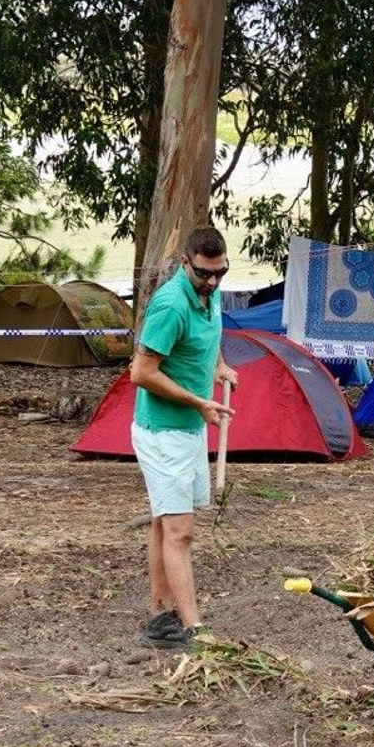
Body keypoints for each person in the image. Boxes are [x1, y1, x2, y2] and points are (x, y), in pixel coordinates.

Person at [129, 226, 238, 648]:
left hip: (189, 427)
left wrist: (218, 368)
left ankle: (159, 615)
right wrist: (197, 401)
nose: (211, 282)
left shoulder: (210, 295)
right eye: (203, 275)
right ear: (184, 263)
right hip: (163, 432)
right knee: (181, 531)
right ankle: (195, 628)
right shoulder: (171, 305)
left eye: (219, 273)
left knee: (163, 520)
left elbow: (207, 338)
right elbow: (141, 373)